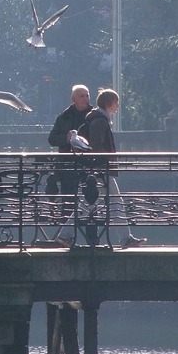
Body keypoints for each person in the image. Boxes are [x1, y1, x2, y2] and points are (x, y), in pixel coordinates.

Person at [57, 88, 140, 248]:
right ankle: (125, 238)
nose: (118, 105)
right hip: (101, 170)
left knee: (89, 204)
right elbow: (96, 146)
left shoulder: (98, 119)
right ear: (109, 103)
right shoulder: (100, 121)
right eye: (116, 102)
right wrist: (105, 162)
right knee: (113, 202)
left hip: (98, 170)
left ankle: (65, 235)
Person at [48, 84, 92, 217]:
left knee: (91, 199)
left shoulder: (93, 116)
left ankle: (92, 235)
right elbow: (52, 139)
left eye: (87, 95)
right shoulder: (64, 117)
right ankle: (66, 233)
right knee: (68, 201)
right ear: (73, 99)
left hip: (88, 163)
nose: (85, 99)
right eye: (82, 96)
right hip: (67, 163)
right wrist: (66, 139)